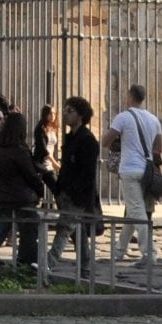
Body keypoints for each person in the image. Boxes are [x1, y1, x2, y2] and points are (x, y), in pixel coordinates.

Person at [105, 84, 162, 266]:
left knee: (137, 211)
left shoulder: (123, 117)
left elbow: (106, 141)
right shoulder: (154, 119)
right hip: (147, 170)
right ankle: (119, 250)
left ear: (129, 96)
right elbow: (158, 148)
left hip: (129, 169)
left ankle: (149, 253)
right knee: (133, 211)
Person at [0, 110, 45, 269]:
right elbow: (30, 175)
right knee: (30, 226)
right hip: (20, 196)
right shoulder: (19, 150)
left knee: (5, 222)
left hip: (1, 194)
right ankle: (28, 260)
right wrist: (40, 189)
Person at [48, 96, 101, 274]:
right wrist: (58, 189)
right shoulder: (71, 137)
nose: (65, 114)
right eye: (65, 110)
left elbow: (88, 174)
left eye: (70, 111)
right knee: (78, 230)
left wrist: (76, 193)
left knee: (64, 229)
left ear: (81, 115)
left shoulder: (88, 141)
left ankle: (48, 263)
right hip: (64, 192)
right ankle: (85, 267)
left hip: (77, 195)